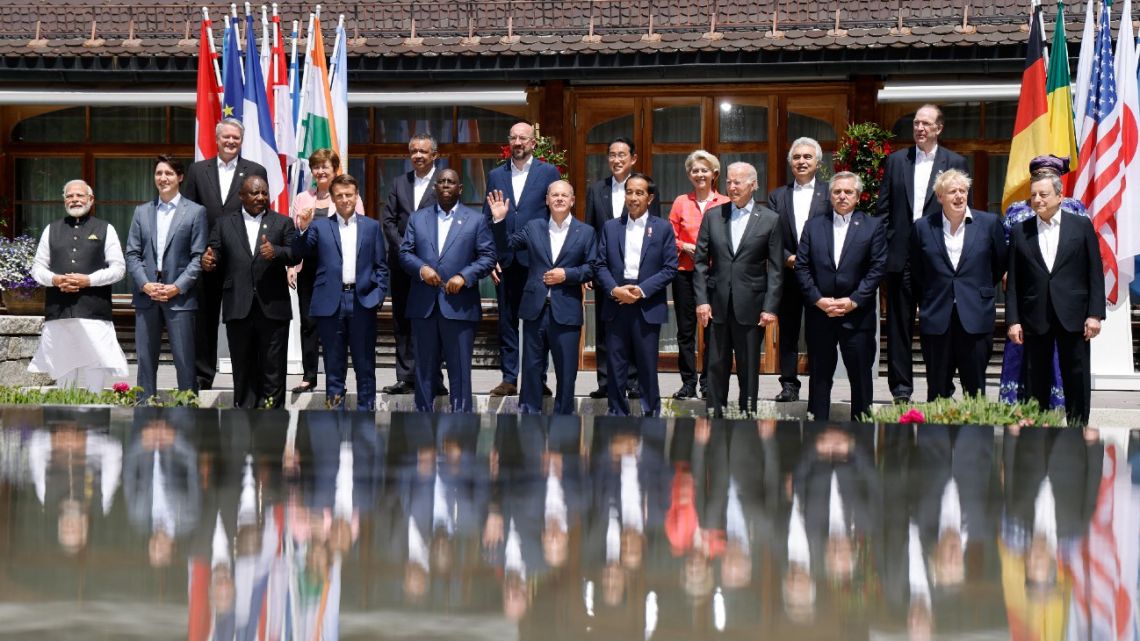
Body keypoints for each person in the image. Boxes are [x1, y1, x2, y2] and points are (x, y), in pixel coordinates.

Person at [876, 104, 969, 403]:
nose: (920, 128)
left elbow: (961, 209)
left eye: (926, 124)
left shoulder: (955, 161)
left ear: (939, 128)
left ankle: (940, 390)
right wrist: (885, 249)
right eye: (916, 123)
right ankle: (901, 390)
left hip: (938, 259)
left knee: (938, 327)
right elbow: (883, 210)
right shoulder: (896, 161)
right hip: (900, 257)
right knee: (899, 328)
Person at [1006, 170, 1105, 426]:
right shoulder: (1020, 231)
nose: (1038, 199)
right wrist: (1013, 321)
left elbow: (1095, 271)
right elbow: (1014, 281)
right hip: (1035, 316)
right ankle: (1037, 430)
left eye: (1044, 194)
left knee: (1076, 374)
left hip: (1074, 314)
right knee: (1035, 375)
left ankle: (1078, 429)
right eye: (1034, 195)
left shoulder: (1080, 225)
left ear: (1060, 196)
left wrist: (1095, 314)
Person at [490, 180, 596, 414]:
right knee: (531, 371)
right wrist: (499, 220)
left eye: (564, 195)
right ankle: (529, 422)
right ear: (547, 200)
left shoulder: (586, 232)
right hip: (535, 310)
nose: (559, 199)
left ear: (572, 200)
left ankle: (563, 424)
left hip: (566, 311)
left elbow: (592, 268)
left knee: (566, 373)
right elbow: (507, 245)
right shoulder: (534, 227)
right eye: (554, 195)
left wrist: (566, 274)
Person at [181, 118, 269, 391]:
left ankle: (245, 378)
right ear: (216, 140)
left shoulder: (255, 170)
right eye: (226, 137)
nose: (231, 142)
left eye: (236, 138)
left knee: (241, 320)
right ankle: (202, 376)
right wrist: (198, 251)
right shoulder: (197, 170)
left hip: (241, 258)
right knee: (205, 320)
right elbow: (188, 212)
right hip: (207, 257)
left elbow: (261, 209)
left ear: (241, 141)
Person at [400, 168, 497, 412]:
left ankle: (460, 425)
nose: (445, 185)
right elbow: (405, 253)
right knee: (423, 370)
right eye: (441, 181)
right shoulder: (417, 218)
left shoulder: (476, 220)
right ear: (435, 187)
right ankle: (422, 425)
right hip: (424, 306)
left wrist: (464, 276)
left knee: (460, 371)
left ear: (459, 188)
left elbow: (487, 257)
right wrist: (422, 269)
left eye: (450, 182)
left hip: (460, 307)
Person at [795, 172, 887, 421]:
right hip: (820, 314)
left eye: (848, 192)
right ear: (830, 196)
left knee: (860, 377)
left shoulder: (872, 226)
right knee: (820, 377)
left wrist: (853, 300)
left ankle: (863, 431)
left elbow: (877, 268)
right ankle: (817, 431)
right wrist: (818, 299)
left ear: (858, 196)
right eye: (837, 192)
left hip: (857, 316)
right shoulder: (814, 225)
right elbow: (802, 266)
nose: (842, 196)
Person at [999, 155, 1089, 409]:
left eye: (1049, 175)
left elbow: (1086, 256)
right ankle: (1023, 407)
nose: (1042, 180)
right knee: (1028, 359)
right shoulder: (1017, 212)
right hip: (1030, 300)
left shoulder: (1076, 210)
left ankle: (1062, 407)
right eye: (1038, 175)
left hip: (1065, 302)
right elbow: (1008, 255)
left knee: (1067, 361)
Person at [201, 175, 299, 408]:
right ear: (241, 196)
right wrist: (208, 261)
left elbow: (296, 252)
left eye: (264, 193)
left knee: (273, 370)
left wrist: (276, 251)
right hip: (239, 306)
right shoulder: (224, 224)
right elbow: (214, 253)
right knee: (243, 369)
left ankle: (273, 426)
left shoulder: (282, 222)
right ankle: (243, 425)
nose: (260, 197)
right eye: (254, 193)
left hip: (273, 308)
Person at [693, 162, 783, 416]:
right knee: (715, 366)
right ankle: (714, 417)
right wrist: (701, 300)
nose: (732, 187)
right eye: (729, 182)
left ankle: (748, 418)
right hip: (716, 305)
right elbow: (700, 262)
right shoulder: (713, 216)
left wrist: (770, 307)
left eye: (738, 182)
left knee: (749, 368)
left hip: (752, 307)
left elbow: (776, 268)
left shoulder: (770, 220)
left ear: (753, 185)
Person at [293, 174, 388, 410]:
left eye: (349, 195)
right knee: (334, 368)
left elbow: (381, 266)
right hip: (330, 303)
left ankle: (366, 420)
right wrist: (303, 229)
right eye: (339, 196)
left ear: (356, 196)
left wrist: (377, 296)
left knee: (365, 366)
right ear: (333, 199)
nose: (345, 199)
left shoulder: (372, 227)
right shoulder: (320, 226)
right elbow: (298, 253)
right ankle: (334, 417)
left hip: (361, 301)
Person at [909, 169, 1006, 401]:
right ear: (940, 197)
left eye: (963, 191)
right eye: (952, 191)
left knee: (975, 390)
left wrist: (974, 291)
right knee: (937, 390)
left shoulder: (989, 223)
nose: (959, 196)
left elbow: (999, 263)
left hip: (975, 315)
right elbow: (917, 270)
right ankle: (938, 438)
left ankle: (976, 437)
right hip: (937, 316)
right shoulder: (923, 227)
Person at [483, 121, 561, 397]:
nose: (518, 142)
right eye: (513, 138)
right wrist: (490, 256)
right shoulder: (495, 174)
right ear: (509, 142)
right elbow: (487, 218)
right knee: (507, 321)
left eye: (523, 138)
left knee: (537, 322)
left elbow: (556, 213)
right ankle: (509, 378)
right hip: (505, 260)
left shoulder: (548, 172)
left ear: (532, 143)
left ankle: (536, 378)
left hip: (537, 258)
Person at [28, 180, 129, 392]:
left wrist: (88, 280)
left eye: (80, 195)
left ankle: (95, 416)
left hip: (94, 310)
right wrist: (55, 280)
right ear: (64, 200)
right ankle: (65, 416)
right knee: (63, 364)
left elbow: (119, 268)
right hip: (60, 310)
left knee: (95, 363)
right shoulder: (51, 229)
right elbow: (37, 269)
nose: (74, 199)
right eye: (70, 196)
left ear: (90, 200)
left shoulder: (105, 228)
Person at [124, 156, 209, 400]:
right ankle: (145, 409)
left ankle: (188, 415)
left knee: (184, 360)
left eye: (169, 173)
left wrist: (177, 287)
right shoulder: (142, 211)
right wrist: (145, 283)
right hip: (147, 295)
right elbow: (132, 253)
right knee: (145, 362)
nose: (163, 178)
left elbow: (198, 257)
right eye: (159, 173)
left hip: (179, 298)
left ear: (180, 177)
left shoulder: (195, 212)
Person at [594, 173, 678, 416]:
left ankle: (651, 414)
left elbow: (670, 268)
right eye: (629, 192)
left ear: (649, 198)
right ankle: (617, 414)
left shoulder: (662, 228)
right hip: (616, 302)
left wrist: (641, 291)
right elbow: (599, 265)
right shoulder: (611, 227)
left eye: (639, 193)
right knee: (616, 365)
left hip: (646, 305)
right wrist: (614, 289)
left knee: (647, 366)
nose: (632, 197)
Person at [586, 137, 661, 400]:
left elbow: (655, 228)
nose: (616, 160)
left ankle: (632, 382)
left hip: (637, 273)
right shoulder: (597, 189)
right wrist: (590, 269)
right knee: (606, 329)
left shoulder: (645, 187)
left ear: (633, 158)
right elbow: (590, 230)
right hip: (605, 272)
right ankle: (606, 381)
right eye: (611, 154)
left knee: (635, 329)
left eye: (622, 154)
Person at [288, 149, 363, 394]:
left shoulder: (346, 196)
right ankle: (309, 376)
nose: (320, 171)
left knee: (335, 325)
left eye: (325, 167)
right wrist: (291, 266)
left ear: (335, 169)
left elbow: (359, 231)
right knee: (308, 324)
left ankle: (335, 377)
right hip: (308, 269)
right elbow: (294, 234)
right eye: (316, 167)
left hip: (337, 269)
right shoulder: (302, 198)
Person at [767, 137, 831, 402]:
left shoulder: (830, 193)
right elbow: (771, 236)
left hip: (820, 276)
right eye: (797, 157)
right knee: (789, 333)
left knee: (819, 333)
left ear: (817, 162)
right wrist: (788, 258)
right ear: (790, 162)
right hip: (789, 274)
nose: (801, 161)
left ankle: (819, 383)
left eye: (807, 157)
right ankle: (789, 384)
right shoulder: (777, 195)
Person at [381, 133, 441, 396]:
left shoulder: (444, 181)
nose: (418, 155)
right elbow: (388, 221)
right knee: (403, 321)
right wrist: (405, 250)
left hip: (433, 266)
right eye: (414, 151)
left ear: (434, 155)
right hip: (402, 265)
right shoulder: (399, 183)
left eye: (423, 151)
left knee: (433, 321)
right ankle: (406, 377)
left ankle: (433, 378)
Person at [668, 149, 729, 400]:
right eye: (695, 170)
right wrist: (684, 246)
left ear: (714, 174)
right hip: (685, 272)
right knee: (686, 331)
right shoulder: (681, 202)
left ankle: (708, 383)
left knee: (714, 330)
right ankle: (688, 382)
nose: (700, 174)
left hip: (716, 274)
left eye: (704, 170)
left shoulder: (725, 203)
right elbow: (668, 236)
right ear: (689, 174)